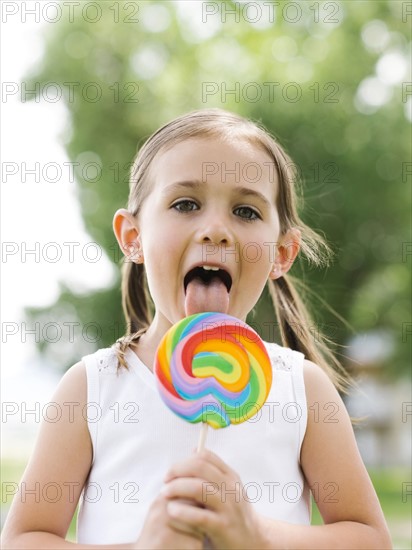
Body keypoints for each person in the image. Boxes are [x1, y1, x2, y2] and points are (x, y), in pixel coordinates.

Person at [1, 109, 392, 549]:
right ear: (132, 237)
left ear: (282, 252)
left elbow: (369, 539)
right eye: (185, 204)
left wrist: (258, 535)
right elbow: (23, 539)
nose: (216, 230)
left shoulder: (301, 389)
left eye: (246, 211)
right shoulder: (92, 388)